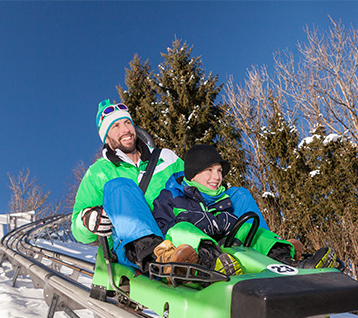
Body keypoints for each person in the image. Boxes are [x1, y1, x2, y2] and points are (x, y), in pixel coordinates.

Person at [152, 144, 338, 271]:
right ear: (192, 174)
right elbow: (163, 230)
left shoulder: (224, 197)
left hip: (228, 249)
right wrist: (195, 223)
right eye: (209, 170)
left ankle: (287, 262)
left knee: (250, 228)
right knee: (181, 230)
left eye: (219, 171)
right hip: (197, 256)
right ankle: (216, 264)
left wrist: (224, 223)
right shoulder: (170, 196)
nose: (216, 177)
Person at [71, 100, 197, 270]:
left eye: (127, 122)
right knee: (120, 186)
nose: (125, 129)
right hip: (130, 248)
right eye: (115, 126)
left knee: (238, 195)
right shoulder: (99, 172)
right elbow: (78, 230)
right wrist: (87, 221)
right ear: (106, 138)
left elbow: (195, 187)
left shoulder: (166, 158)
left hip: (176, 233)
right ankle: (156, 258)